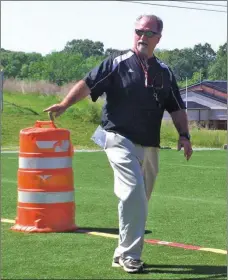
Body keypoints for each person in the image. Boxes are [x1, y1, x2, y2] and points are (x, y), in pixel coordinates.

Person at [44, 14, 193, 274]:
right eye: (138, 31)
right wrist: (65, 104)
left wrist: (185, 135)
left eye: (148, 33)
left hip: (149, 144)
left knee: (140, 200)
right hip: (117, 137)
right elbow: (88, 84)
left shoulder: (165, 71)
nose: (142, 37)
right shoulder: (116, 63)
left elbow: (177, 106)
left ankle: (121, 252)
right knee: (133, 191)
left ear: (159, 37)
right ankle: (131, 256)